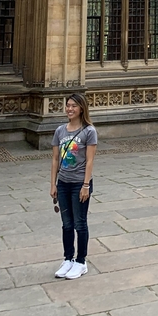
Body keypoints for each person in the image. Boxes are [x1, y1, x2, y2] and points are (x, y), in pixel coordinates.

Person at [50, 93, 98, 279]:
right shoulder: (60, 131)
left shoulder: (89, 131)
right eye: (68, 105)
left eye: (73, 106)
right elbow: (55, 159)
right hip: (63, 183)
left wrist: (86, 185)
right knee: (66, 224)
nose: (69, 109)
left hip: (80, 183)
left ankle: (81, 261)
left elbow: (90, 160)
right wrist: (53, 184)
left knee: (80, 223)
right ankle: (68, 259)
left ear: (81, 108)